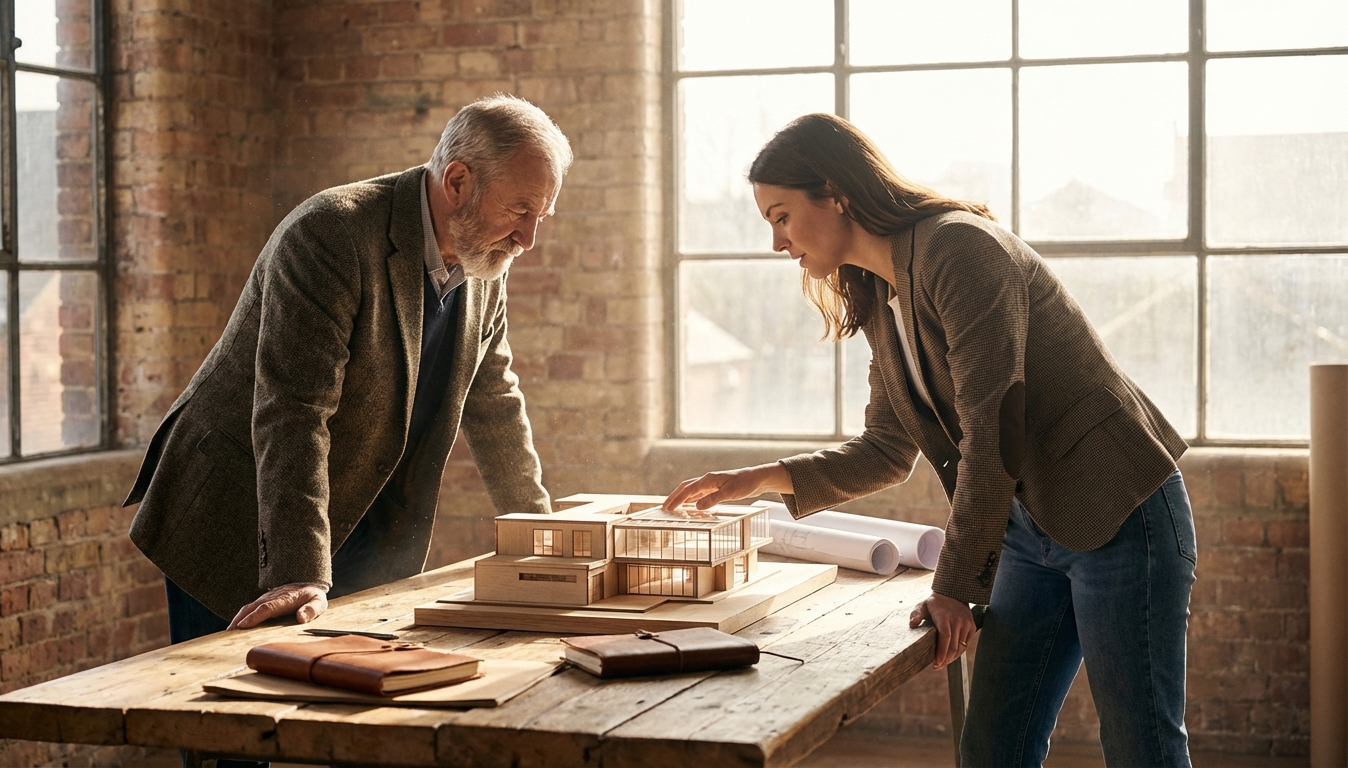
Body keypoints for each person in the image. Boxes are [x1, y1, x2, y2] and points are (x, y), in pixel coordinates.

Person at [663, 114, 1195, 768]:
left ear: (834, 193)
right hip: (1027, 534)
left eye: (781, 216)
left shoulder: (958, 249)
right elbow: (886, 449)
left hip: (1120, 512)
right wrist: (758, 479)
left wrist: (953, 586)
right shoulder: (882, 295)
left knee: (1143, 749)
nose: (778, 243)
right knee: (992, 748)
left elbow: (991, 430)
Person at [125, 94, 570, 643]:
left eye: (540, 216)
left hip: (356, 513)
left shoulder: (484, 256)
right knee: (224, 709)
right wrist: (298, 573)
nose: (528, 238)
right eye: (520, 211)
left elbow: (494, 397)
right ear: (457, 182)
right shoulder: (331, 233)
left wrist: (539, 534)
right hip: (239, 516)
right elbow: (294, 410)